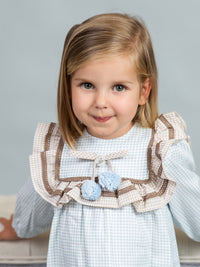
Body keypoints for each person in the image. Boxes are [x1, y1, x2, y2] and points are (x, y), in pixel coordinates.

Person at [0, 13, 200, 267]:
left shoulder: (160, 150)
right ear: (68, 85)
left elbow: (196, 215)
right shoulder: (61, 151)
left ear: (143, 91)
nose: (101, 103)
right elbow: (31, 213)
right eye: (87, 85)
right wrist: (18, 229)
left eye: (118, 87)